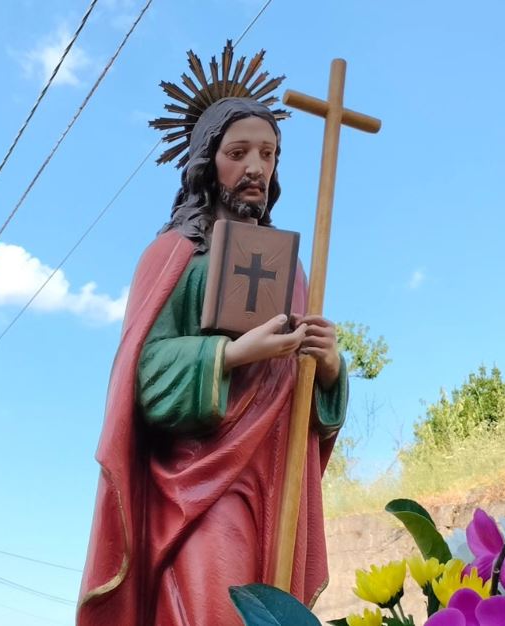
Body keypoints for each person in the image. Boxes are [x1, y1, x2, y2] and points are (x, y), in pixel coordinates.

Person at [77, 51, 349, 626]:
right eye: (238, 152)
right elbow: (144, 374)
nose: (256, 167)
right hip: (200, 482)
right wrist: (230, 355)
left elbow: (301, 395)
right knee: (215, 611)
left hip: (272, 478)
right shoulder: (173, 256)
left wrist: (327, 368)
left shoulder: (291, 270)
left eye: (268, 154)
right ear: (208, 163)